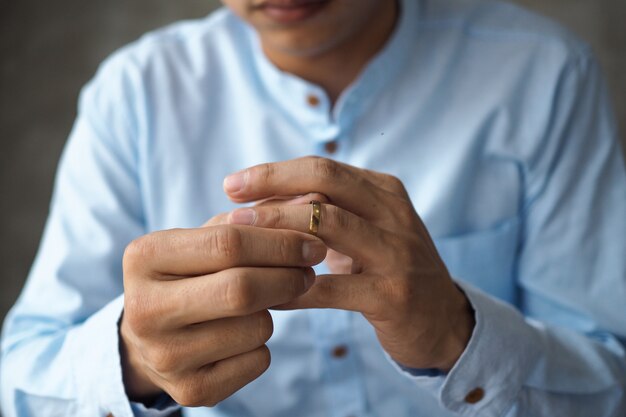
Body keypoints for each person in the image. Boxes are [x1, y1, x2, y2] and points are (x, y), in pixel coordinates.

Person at [2, 0, 625, 415]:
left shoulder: (544, 74)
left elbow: (613, 379)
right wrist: (134, 360)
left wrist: (456, 334)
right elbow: (18, 379)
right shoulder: (133, 93)